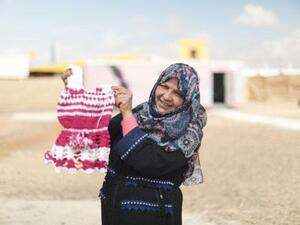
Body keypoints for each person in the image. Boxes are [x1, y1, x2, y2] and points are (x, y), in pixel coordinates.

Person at [62, 63, 207, 225]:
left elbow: (150, 162)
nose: (166, 96)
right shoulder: (140, 114)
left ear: (188, 99)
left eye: (178, 93)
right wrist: (75, 92)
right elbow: (90, 139)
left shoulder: (189, 131)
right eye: (164, 86)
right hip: (114, 211)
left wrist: (126, 114)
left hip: (155, 216)